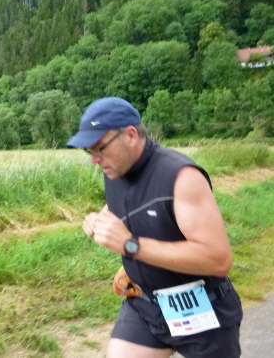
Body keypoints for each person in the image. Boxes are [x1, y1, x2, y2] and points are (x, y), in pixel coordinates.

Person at [66, 97, 243, 358]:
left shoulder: (182, 177)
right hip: (145, 305)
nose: (94, 159)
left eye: (99, 149)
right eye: (88, 151)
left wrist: (130, 245)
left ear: (130, 135)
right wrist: (101, 220)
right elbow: (132, 206)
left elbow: (218, 260)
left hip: (203, 310)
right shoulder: (114, 169)